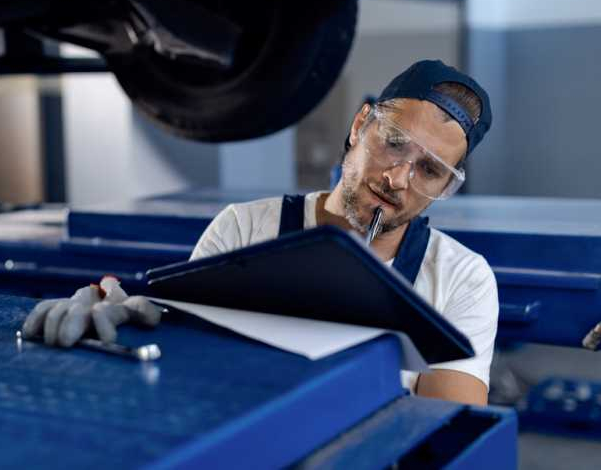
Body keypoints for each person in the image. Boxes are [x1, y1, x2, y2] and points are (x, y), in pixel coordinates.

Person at [190, 60, 497, 406]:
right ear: (360, 124)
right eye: (394, 142)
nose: (396, 179)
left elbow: (448, 433)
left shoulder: (461, 279)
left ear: (444, 185)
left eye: (428, 170)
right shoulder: (242, 231)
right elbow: (190, 375)